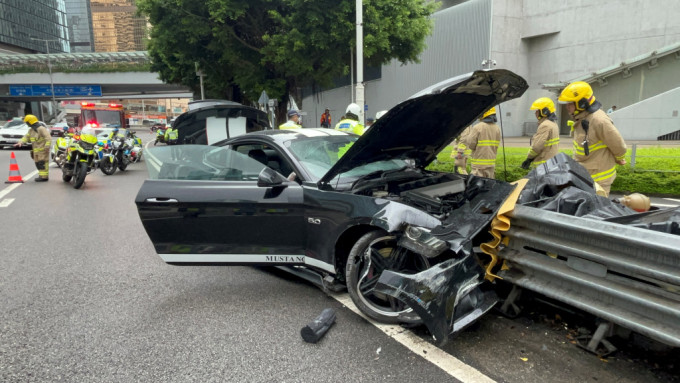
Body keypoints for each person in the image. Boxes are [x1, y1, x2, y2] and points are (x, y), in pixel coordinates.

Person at [558, 81, 627, 196]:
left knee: (596, 211)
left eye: (570, 103)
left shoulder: (599, 120)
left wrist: (619, 157)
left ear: (582, 103)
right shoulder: (582, 118)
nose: (567, 107)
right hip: (585, 175)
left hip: (599, 180)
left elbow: (618, 144)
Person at [521, 97, 560, 169]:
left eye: (537, 111)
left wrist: (529, 158)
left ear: (544, 112)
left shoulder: (545, 125)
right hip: (551, 163)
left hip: (543, 166)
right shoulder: (554, 124)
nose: (535, 113)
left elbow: (536, 147)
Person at [462, 107, 501, 178]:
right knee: (489, 185)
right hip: (491, 164)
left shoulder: (477, 127)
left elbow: (471, 145)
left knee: (477, 186)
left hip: (479, 165)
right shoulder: (497, 128)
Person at [14, 114, 51, 182]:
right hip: (36, 151)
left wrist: (47, 147)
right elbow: (26, 137)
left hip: (42, 150)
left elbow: (48, 138)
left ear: (30, 122)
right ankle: (41, 175)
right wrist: (20, 142)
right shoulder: (31, 130)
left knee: (42, 163)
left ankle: (44, 177)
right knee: (37, 163)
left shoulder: (41, 129)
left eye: (27, 122)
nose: (27, 124)